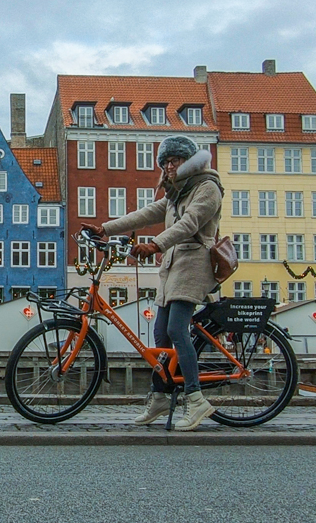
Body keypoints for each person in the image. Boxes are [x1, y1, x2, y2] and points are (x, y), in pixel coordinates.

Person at [82, 135, 223, 431]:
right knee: (161, 333)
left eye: (175, 161)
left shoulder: (207, 188)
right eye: (165, 162)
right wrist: (104, 228)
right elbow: (145, 214)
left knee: (175, 328)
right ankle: (160, 395)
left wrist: (154, 245)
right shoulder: (176, 193)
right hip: (172, 268)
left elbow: (190, 224)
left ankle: (195, 399)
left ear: (189, 163)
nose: (169, 167)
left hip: (194, 265)